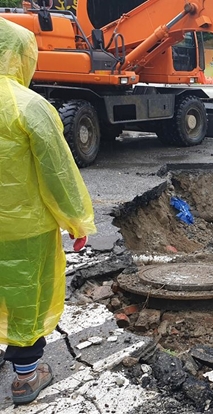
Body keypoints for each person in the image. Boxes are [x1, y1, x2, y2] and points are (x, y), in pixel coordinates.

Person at [0, 17, 96, 404]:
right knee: (26, 294)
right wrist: (76, 221)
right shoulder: (29, 107)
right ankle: (25, 377)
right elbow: (58, 174)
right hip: (24, 228)